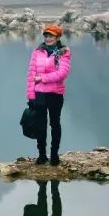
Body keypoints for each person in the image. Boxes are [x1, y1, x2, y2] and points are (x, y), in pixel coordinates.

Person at [26, 24, 71, 165]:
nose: (48, 38)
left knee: (55, 124)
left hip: (55, 94)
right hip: (39, 94)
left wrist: (42, 78)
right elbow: (31, 74)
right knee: (40, 125)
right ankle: (41, 155)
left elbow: (62, 74)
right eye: (46, 35)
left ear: (57, 37)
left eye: (51, 36)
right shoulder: (37, 52)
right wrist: (30, 95)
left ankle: (54, 155)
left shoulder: (64, 53)